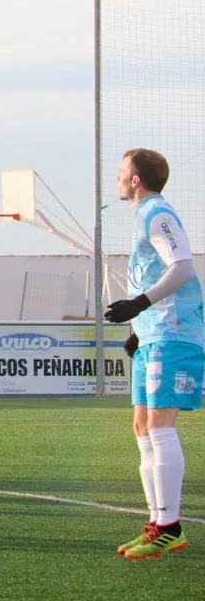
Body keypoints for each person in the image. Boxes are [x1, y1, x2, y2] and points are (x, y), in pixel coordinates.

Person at [103, 149, 204, 559]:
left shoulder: (157, 214)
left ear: (136, 180)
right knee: (142, 428)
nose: (116, 177)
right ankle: (157, 521)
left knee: (160, 429)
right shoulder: (145, 215)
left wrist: (139, 304)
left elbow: (183, 268)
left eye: (121, 171)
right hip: (153, 335)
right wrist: (136, 329)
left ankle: (170, 527)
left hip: (172, 334)